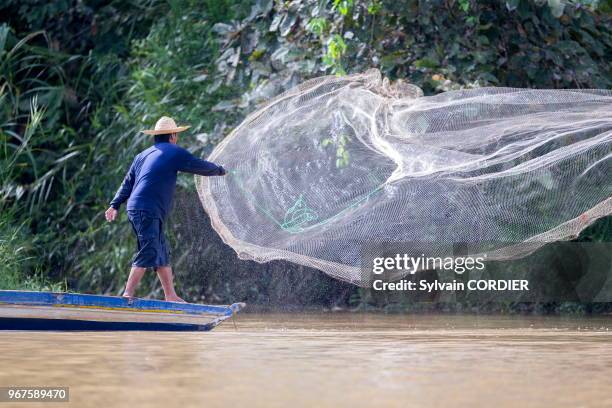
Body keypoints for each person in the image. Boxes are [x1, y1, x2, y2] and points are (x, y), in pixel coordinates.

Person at [105, 116, 226, 302]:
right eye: (176, 134)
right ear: (173, 136)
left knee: (161, 251)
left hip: (141, 209)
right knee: (149, 249)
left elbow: (127, 182)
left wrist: (114, 204)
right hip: (147, 209)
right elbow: (199, 165)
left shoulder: (142, 155)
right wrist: (219, 170)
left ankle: (170, 295)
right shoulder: (174, 152)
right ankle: (127, 294)